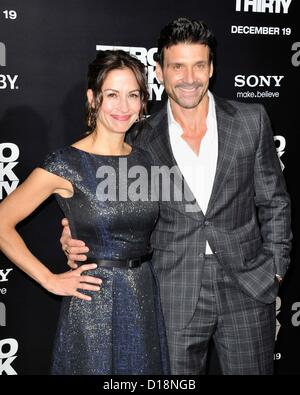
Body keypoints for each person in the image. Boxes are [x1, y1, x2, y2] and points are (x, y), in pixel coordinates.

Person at [61, 18, 292, 375]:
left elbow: (274, 199)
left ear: (211, 68)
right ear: (160, 71)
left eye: (199, 65)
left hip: (248, 286)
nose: (189, 77)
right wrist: (72, 232)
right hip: (172, 290)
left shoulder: (251, 120)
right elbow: (104, 201)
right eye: (178, 66)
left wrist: (276, 268)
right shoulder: (137, 136)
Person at [0, 49, 170, 375]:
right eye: (112, 95)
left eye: (133, 95)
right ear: (93, 99)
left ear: (143, 101)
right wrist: (49, 279)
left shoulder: (148, 160)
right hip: (93, 305)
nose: (123, 107)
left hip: (144, 298)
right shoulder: (66, 164)